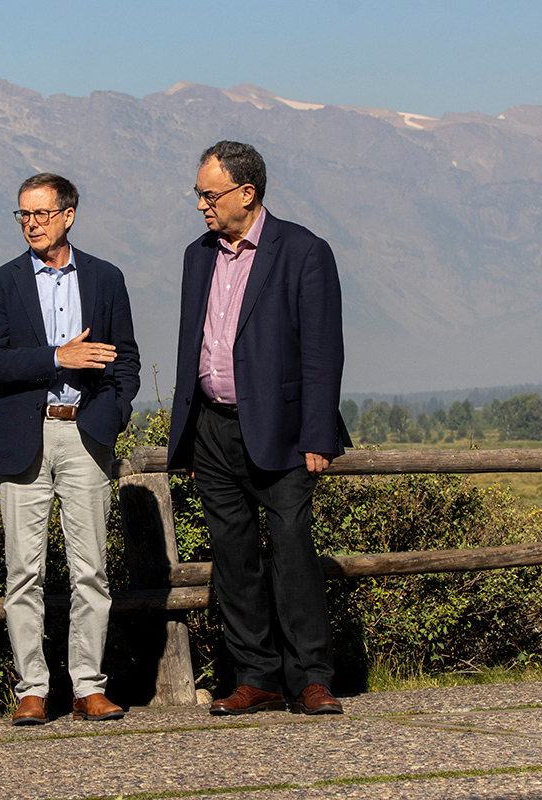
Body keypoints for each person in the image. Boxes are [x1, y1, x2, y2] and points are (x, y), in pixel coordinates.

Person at [166, 141, 351, 716]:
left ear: (246, 194)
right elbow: (191, 347)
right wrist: (190, 429)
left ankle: (311, 678)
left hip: (285, 432)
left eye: (209, 193)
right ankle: (257, 676)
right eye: (198, 193)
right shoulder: (199, 255)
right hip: (213, 432)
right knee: (233, 558)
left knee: (293, 552)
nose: (201, 204)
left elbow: (323, 352)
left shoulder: (303, 251)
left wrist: (318, 435)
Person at [0, 173, 140, 725]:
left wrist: (111, 417)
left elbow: (127, 360)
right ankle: (32, 690)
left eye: (41, 214)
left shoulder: (106, 278)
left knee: (90, 569)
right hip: (26, 435)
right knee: (24, 572)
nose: (31, 224)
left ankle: (89, 687)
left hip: (86, 434)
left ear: (69, 214)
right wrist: (56, 358)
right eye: (22, 215)